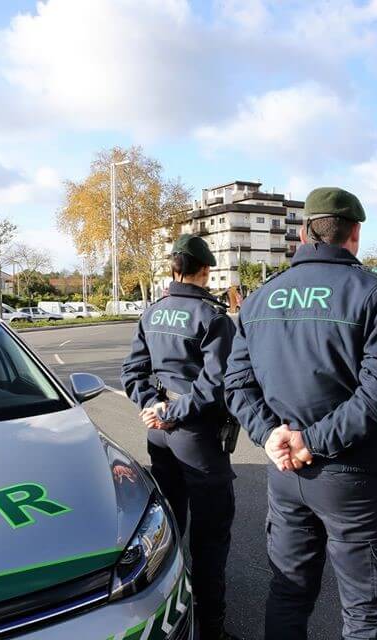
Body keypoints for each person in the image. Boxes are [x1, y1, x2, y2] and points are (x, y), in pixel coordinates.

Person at [225, 187, 377, 640]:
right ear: (355, 234)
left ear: (305, 232)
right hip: (353, 477)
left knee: (288, 594)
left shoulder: (261, 297)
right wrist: (312, 440)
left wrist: (270, 435)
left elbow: (236, 384)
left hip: (286, 476)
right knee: (367, 612)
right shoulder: (371, 293)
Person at [122, 233, 239, 640]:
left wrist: (153, 406)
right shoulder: (212, 316)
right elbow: (217, 383)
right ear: (205, 271)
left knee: (169, 526)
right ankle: (212, 629)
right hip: (196, 435)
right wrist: (174, 410)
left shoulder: (152, 313)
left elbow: (132, 372)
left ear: (174, 270)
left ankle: (167, 613)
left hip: (160, 434)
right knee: (210, 537)